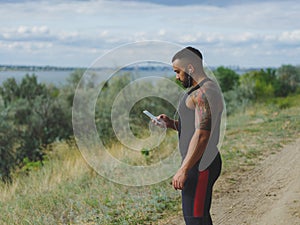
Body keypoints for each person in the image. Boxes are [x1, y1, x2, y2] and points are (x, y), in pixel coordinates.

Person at [154, 47, 223, 225]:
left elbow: (202, 135)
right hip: (200, 162)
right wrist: (172, 124)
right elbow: (197, 128)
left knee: (195, 219)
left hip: (200, 165)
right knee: (199, 217)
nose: (176, 77)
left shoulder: (204, 93)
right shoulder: (204, 89)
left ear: (190, 68)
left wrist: (184, 170)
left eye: (178, 72)